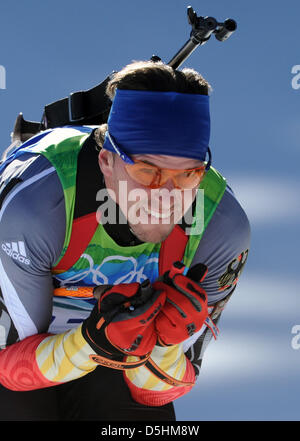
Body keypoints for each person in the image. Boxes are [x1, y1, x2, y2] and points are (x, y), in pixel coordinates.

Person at [0, 60, 250, 421]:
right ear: (106, 162)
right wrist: (91, 344)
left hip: (116, 352)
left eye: (188, 175)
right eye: (148, 171)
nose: (167, 195)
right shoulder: (40, 206)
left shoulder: (221, 227)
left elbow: (163, 393)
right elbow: (10, 369)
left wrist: (163, 348)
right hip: (23, 346)